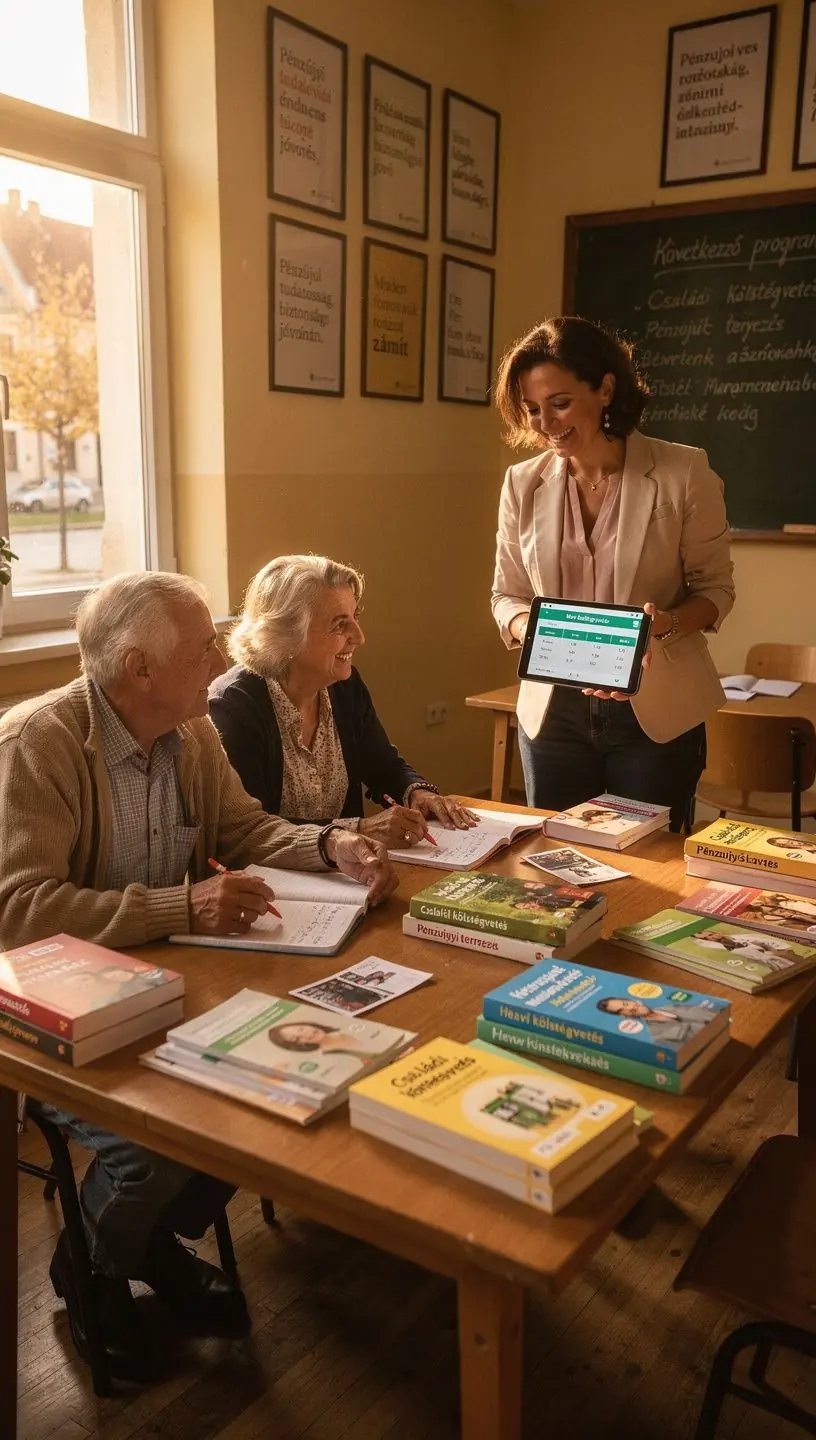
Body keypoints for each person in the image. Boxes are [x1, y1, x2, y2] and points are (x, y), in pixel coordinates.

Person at [0, 571, 397, 1383]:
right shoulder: (39, 744)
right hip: (53, 1010)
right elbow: (21, 910)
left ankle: (145, 1244)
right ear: (139, 668)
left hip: (174, 988)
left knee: (271, 1102)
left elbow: (242, 828)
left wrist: (332, 846)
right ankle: (96, 1271)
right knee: (158, 1153)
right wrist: (179, 905)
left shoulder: (192, 729)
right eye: (204, 646)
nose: (223, 657)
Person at [491, 316, 735, 830]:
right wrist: (534, 629)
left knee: (651, 875)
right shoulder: (521, 483)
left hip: (656, 712)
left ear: (605, 388)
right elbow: (506, 596)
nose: (545, 425)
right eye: (532, 410)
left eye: (559, 403)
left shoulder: (683, 472)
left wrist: (662, 624)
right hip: (553, 713)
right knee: (553, 867)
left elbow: (716, 591)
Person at [209, 554, 478, 848]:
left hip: (350, 874)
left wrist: (417, 793)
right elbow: (255, 831)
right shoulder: (234, 706)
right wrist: (359, 829)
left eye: (355, 617)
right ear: (285, 635)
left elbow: (384, 767)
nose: (359, 637)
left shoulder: (344, 686)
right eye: (339, 625)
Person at [597, 995, 716, 1044]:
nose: (632, 1008)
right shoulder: (657, 1034)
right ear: (624, 1016)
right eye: (622, 1010)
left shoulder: (673, 1005)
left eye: (626, 1003)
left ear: (632, 1000)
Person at [694, 929, 798, 970]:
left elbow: (767, 942)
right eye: (706, 938)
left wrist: (776, 951)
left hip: (782, 954)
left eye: (711, 934)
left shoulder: (742, 937)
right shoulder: (726, 949)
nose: (710, 937)